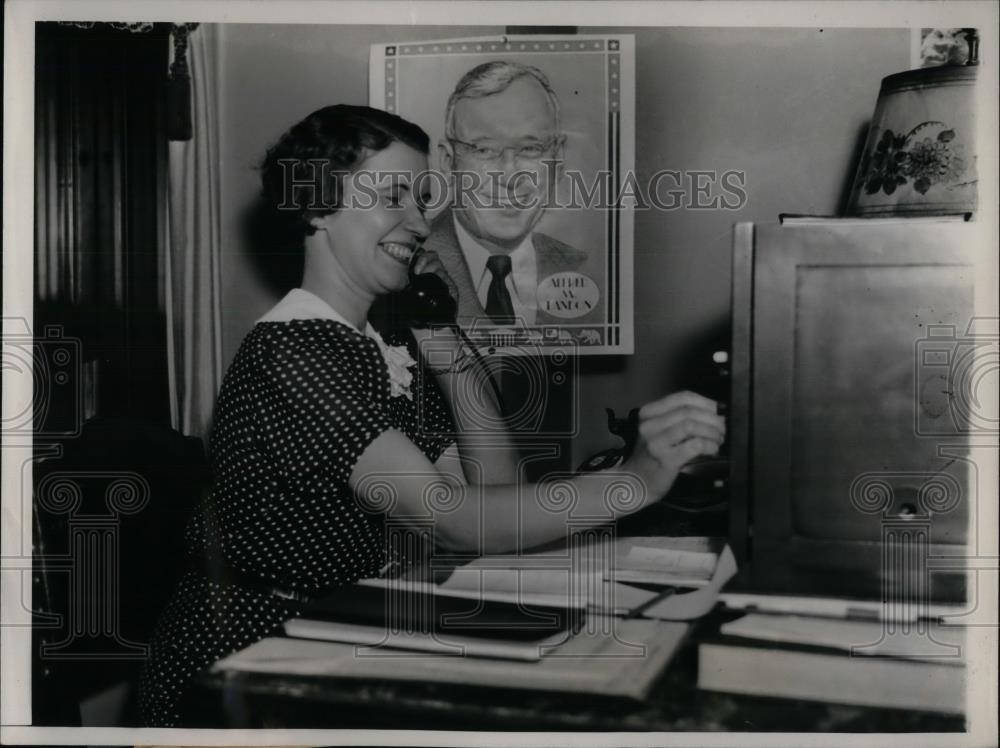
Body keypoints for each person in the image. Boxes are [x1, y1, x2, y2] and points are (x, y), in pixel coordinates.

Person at [138, 104, 724, 726]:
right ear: (314, 206)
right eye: (396, 196)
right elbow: (455, 523)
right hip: (247, 664)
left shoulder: (372, 348)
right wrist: (636, 479)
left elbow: (496, 493)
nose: (420, 223)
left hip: (330, 631)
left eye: (423, 200)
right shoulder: (297, 350)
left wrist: (440, 335)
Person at [428, 60, 603, 327]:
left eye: (530, 149)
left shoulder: (583, 271)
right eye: (484, 150)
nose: (510, 176)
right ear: (448, 161)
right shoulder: (404, 268)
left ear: (558, 158)